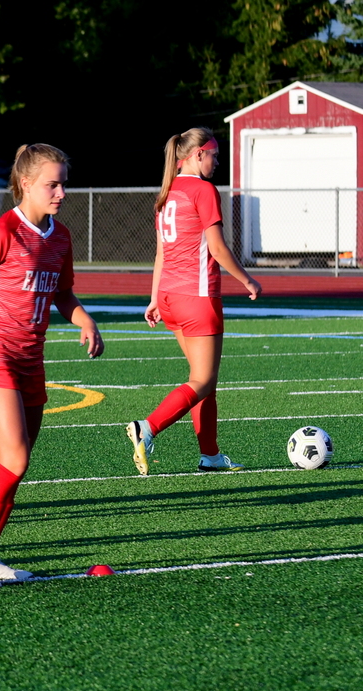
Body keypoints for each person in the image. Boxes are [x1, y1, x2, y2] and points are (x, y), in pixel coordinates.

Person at [0, 144, 104, 589]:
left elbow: (63, 295)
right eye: (52, 184)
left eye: (63, 184)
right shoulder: (1, 233)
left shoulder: (61, 237)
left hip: (30, 359)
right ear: (26, 184)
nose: (61, 192)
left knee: (19, 461)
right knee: (13, 458)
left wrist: (85, 319)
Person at [126, 127, 262, 476]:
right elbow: (216, 248)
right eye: (214, 154)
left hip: (171, 297)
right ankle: (148, 427)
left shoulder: (168, 192)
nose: (217, 161)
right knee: (202, 380)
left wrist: (154, 298)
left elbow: (160, 253)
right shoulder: (202, 189)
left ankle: (211, 456)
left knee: (204, 381)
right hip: (197, 297)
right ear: (197, 153)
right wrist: (247, 279)